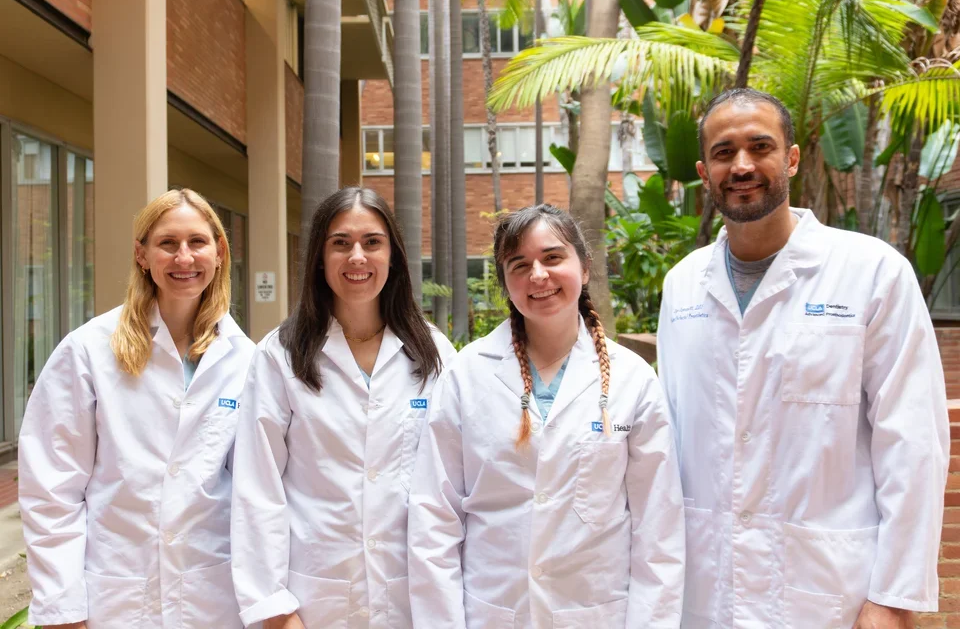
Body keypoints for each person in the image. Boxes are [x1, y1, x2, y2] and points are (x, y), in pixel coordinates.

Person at [656, 88, 950, 629]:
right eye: (723, 153)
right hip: (705, 587)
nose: (741, 165)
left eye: (759, 146)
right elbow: (671, 441)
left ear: (790, 157)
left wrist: (894, 594)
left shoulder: (872, 273)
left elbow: (913, 442)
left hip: (829, 589)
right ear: (704, 171)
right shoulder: (682, 288)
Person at [408, 204, 685, 628]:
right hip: (492, 612)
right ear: (505, 283)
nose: (538, 275)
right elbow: (435, 517)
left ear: (585, 267)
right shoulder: (467, 374)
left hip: (595, 614)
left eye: (553, 257)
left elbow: (658, 529)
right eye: (519, 265)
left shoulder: (632, 380)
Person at [18, 188, 255, 628]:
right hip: (117, 597)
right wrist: (62, 609)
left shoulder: (246, 360)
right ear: (142, 254)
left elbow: (258, 492)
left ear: (219, 252)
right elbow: (52, 489)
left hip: (215, 597)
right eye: (167, 243)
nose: (184, 257)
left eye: (197, 242)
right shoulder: (89, 350)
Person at [229, 186, 455, 629]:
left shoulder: (434, 353)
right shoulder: (280, 354)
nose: (357, 257)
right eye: (340, 243)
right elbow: (257, 488)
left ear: (393, 256)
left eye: (372, 242)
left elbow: (455, 482)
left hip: (414, 598)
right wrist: (275, 609)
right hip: (314, 599)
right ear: (319, 256)